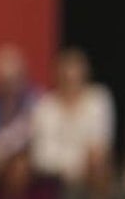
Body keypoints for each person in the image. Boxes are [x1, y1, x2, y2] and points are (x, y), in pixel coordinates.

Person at [31, 48, 115, 184]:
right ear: (57, 76)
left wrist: (75, 164)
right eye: (66, 77)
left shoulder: (99, 99)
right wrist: (74, 165)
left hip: (90, 180)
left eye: (76, 77)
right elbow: (42, 156)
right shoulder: (45, 107)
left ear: (85, 75)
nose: (71, 81)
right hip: (53, 181)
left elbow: (99, 148)